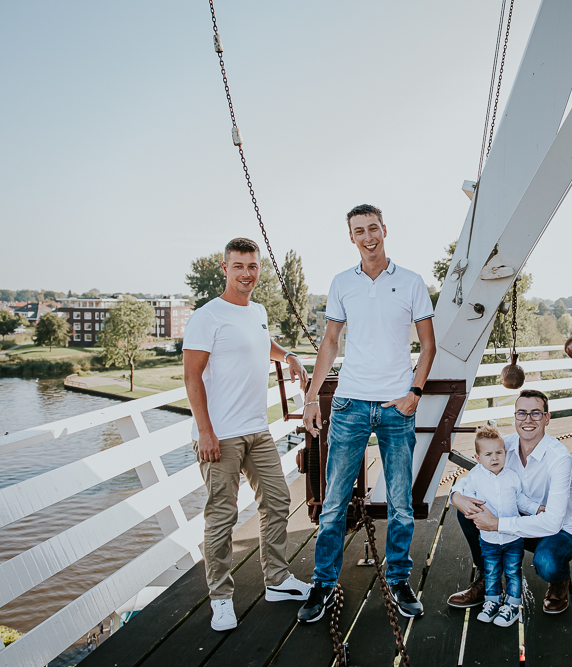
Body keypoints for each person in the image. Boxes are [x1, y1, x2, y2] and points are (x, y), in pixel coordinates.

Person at [297, 204, 436, 623]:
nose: (367, 236)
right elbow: (330, 344)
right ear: (352, 237)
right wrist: (310, 396)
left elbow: (428, 347)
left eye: (373, 228)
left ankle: (398, 579)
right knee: (335, 503)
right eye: (359, 231)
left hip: (397, 407)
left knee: (400, 503)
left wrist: (415, 392)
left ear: (384, 230)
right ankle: (323, 583)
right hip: (350, 404)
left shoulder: (411, 282)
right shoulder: (342, 283)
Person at [183, 237, 314, 632]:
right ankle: (221, 598)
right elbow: (191, 377)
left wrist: (287, 355)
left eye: (252, 266)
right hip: (220, 436)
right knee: (221, 517)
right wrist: (205, 431)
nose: (246, 273)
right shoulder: (207, 317)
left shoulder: (256, 310)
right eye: (238, 265)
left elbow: (260, 343)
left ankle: (276, 580)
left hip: (256, 430)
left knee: (277, 501)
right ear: (224, 269)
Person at [448, 390, 572, 615]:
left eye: (535, 413)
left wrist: (496, 525)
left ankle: (560, 579)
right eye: (521, 413)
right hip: (517, 518)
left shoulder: (559, 458)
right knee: (468, 510)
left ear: (547, 418)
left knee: (547, 563)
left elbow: (552, 522)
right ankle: (486, 575)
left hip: (557, 529)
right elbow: (473, 478)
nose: (528, 420)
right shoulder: (504, 446)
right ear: (515, 417)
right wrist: (457, 497)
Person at [451, 425, 543, 627]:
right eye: (488, 454)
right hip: (489, 539)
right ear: (477, 458)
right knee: (491, 571)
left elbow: (520, 500)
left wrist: (537, 509)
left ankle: (512, 605)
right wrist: (458, 497)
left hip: (512, 538)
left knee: (512, 571)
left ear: (505, 453)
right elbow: (462, 492)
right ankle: (491, 601)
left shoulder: (511, 476)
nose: (494, 458)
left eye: (499, 453)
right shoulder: (475, 478)